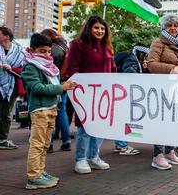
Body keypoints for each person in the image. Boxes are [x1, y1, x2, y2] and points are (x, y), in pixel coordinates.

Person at [21, 33, 76, 189]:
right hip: (39, 110)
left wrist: (66, 84)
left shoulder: (48, 67)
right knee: (37, 144)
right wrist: (61, 87)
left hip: (51, 108)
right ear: (31, 50)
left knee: (45, 144)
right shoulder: (30, 67)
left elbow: (54, 85)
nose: (46, 54)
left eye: (48, 51)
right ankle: (33, 177)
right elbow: (38, 88)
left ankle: (40, 171)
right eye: (42, 51)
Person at [66, 16, 116, 174]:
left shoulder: (107, 48)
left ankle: (94, 157)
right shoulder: (78, 45)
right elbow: (72, 69)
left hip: (104, 94)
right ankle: (81, 159)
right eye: (96, 28)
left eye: (102, 28)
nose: (100, 31)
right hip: (85, 94)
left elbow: (113, 69)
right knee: (85, 127)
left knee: (101, 127)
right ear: (89, 28)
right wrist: (79, 89)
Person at [147, 14, 178, 170]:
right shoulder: (158, 43)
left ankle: (169, 151)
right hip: (162, 88)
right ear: (164, 28)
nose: (173, 28)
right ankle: (157, 155)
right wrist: (174, 69)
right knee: (161, 121)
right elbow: (151, 64)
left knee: (175, 121)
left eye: (175, 25)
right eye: (169, 26)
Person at [112, 44, 150, 156]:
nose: (145, 57)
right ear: (140, 53)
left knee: (122, 119)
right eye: (144, 54)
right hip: (126, 93)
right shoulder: (132, 58)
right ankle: (122, 146)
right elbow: (129, 74)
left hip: (120, 92)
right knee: (125, 119)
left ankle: (120, 144)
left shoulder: (129, 57)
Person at [40, 29, 71, 153]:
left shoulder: (53, 50)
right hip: (64, 82)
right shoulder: (64, 47)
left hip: (54, 83)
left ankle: (49, 143)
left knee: (51, 113)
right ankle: (66, 141)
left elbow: (50, 69)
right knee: (62, 113)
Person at [0, 26, 25, 149]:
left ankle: (2, 139)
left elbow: (24, 67)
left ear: (7, 36)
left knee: (6, 112)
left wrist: (11, 68)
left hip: (12, 84)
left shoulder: (19, 50)